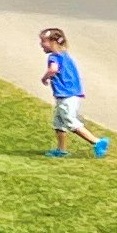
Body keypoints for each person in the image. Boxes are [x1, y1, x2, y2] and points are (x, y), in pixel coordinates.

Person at [39, 27, 107, 157]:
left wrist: (45, 77)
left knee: (70, 121)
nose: (41, 44)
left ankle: (97, 142)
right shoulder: (65, 55)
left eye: (43, 41)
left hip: (66, 95)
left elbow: (53, 69)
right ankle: (61, 149)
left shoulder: (54, 57)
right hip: (69, 94)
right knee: (59, 123)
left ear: (53, 42)